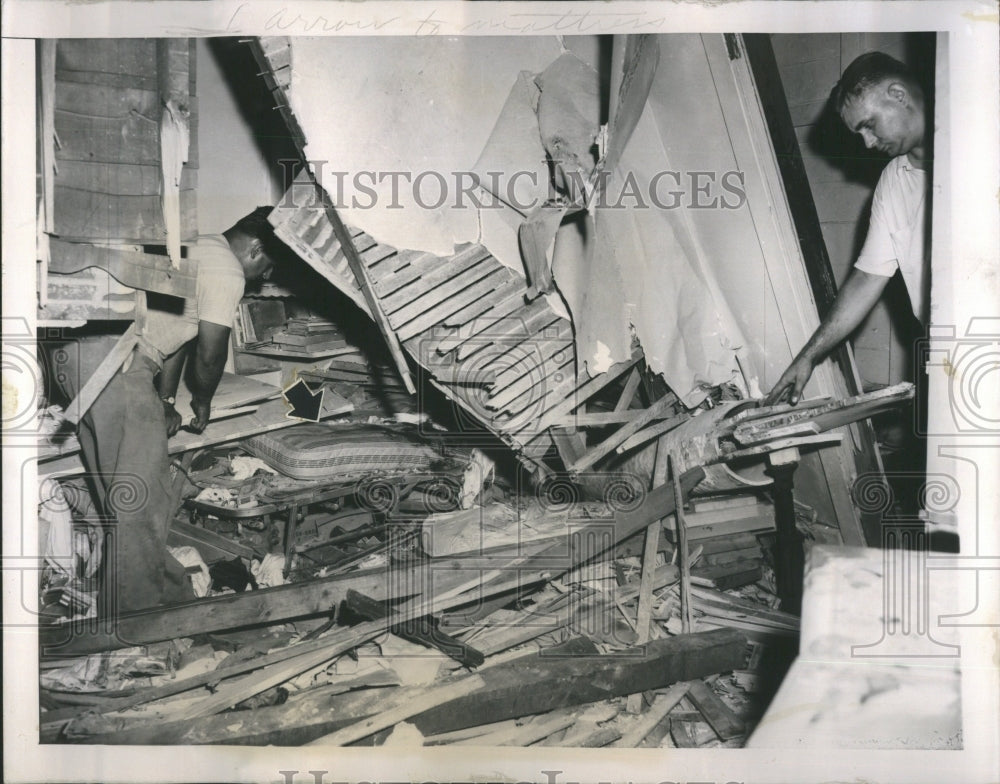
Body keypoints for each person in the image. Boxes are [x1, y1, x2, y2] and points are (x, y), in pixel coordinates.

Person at [60, 207, 280, 615]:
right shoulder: (228, 272)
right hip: (120, 366)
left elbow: (176, 329)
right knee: (141, 501)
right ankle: (139, 618)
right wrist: (202, 399)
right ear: (255, 248)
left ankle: (150, 592)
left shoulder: (196, 244)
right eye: (268, 265)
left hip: (86, 357)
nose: (264, 276)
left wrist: (163, 400)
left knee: (119, 493)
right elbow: (210, 355)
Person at [765, 52, 930, 406]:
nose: (869, 143)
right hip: (948, 348)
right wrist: (809, 355)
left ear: (898, 95)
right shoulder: (893, 182)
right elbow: (868, 278)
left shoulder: (982, 146)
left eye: (869, 125)